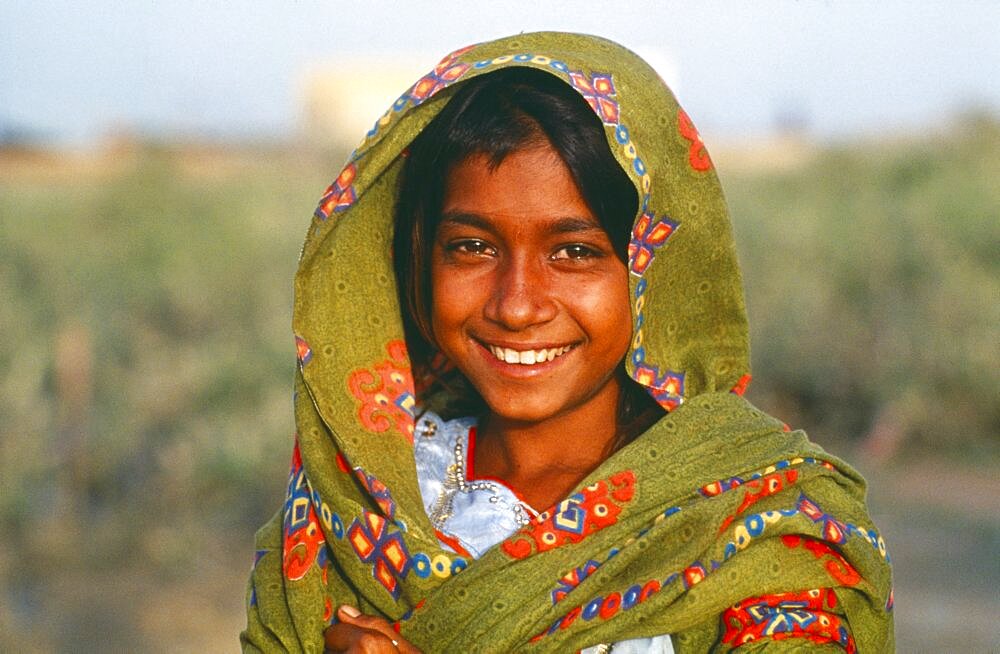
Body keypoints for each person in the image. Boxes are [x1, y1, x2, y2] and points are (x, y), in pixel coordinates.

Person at [242, 32, 894, 653]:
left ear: (652, 274)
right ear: (418, 260)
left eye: (575, 252)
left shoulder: (745, 515)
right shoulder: (352, 507)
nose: (517, 304)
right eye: (472, 247)